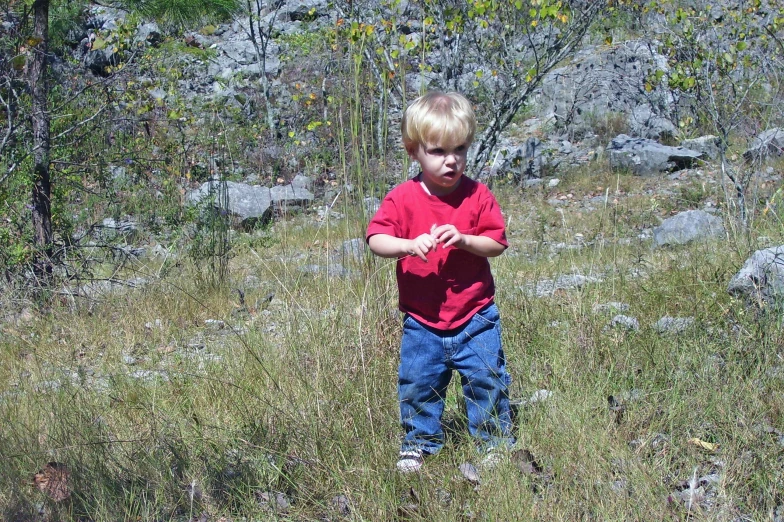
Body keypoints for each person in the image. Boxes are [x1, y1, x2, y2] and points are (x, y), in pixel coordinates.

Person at [366, 91, 515, 473]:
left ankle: (493, 440)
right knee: (418, 384)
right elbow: (375, 240)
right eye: (437, 151)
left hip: (476, 315)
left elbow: (496, 243)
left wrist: (465, 239)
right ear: (414, 151)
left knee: (486, 378)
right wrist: (407, 244)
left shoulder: (477, 195)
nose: (451, 160)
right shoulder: (402, 198)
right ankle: (419, 442)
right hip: (422, 319)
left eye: (460, 148)